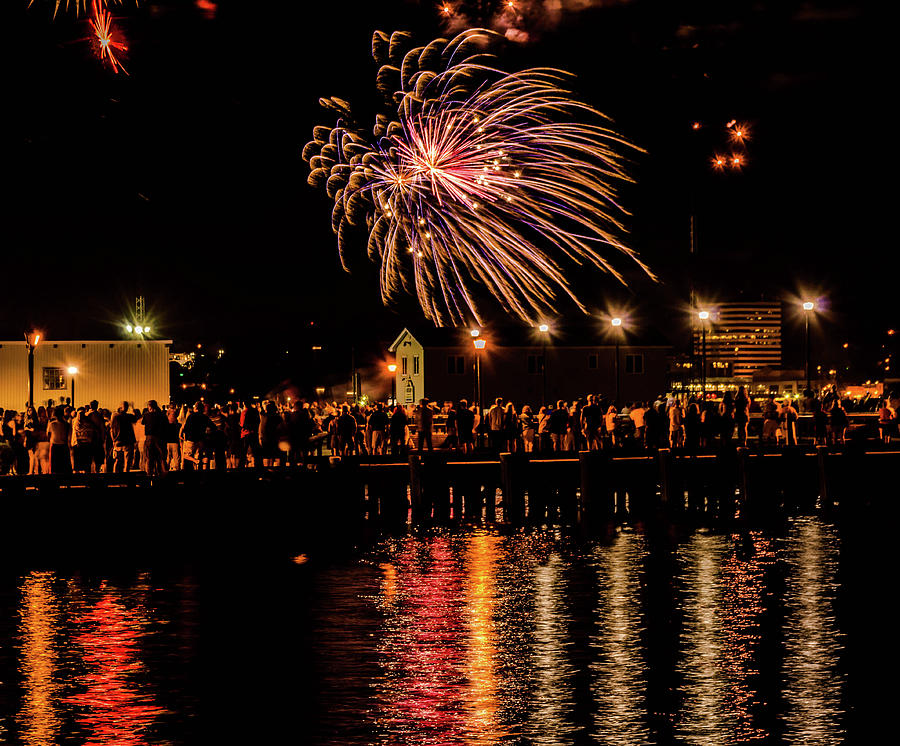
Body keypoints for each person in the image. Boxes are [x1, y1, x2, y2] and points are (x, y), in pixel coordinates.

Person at [181, 401, 212, 469]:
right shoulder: (205, 417)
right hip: (201, 439)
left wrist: (185, 436)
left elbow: (186, 428)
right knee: (198, 454)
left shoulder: (191, 416)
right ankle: (198, 469)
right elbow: (212, 427)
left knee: (186, 455)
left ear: (196, 408)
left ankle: (195, 461)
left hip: (191, 439)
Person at [142, 400, 169, 475]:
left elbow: (143, 422)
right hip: (160, 438)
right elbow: (166, 425)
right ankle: (162, 475)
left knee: (149, 458)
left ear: (149, 407)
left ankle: (149, 476)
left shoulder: (146, 415)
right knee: (161, 458)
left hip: (149, 438)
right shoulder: (162, 415)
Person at [110, 402, 137, 473]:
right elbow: (137, 417)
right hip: (128, 441)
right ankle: (125, 477)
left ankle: (115, 477)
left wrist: (113, 440)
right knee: (127, 461)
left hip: (118, 441)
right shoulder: (128, 416)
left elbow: (111, 429)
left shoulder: (115, 416)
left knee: (117, 461)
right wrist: (133, 408)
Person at [47, 405, 72, 475]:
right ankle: (66, 483)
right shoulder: (67, 424)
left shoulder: (52, 424)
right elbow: (69, 436)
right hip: (64, 445)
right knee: (65, 466)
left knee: (54, 466)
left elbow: (48, 435)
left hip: (55, 445)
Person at [238, 401, 262, 468]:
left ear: (244, 404)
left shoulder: (244, 412)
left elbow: (242, 424)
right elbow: (258, 421)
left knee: (243, 452)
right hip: (254, 433)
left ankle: (241, 466)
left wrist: (240, 425)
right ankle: (258, 466)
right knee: (255, 451)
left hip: (245, 434)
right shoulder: (255, 411)